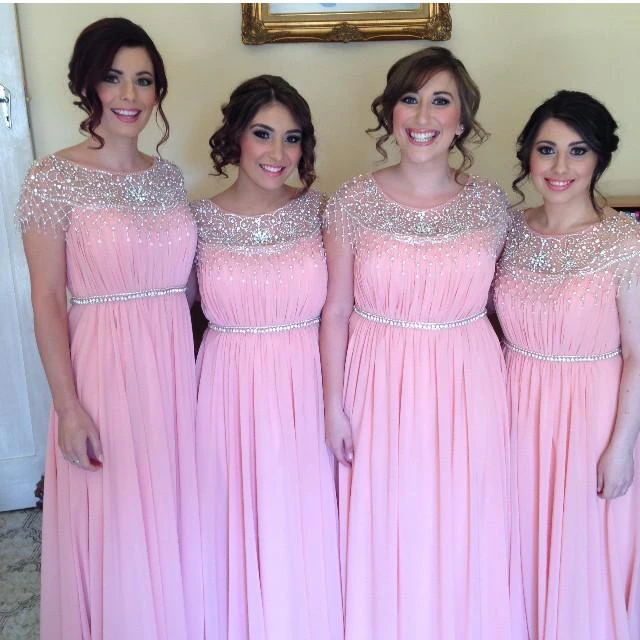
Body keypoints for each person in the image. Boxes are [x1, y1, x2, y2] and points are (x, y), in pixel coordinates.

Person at [17, 18, 203, 639]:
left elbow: (188, 285)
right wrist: (68, 406)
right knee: (115, 514)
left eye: (143, 81)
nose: (129, 95)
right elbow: (47, 299)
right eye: (114, 78)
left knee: (170, 510)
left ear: (157, 92)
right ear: (88, 85)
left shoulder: (168, 177)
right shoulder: (52, 178)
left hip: (171, 365)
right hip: (101, 366)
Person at [321, 46, 513, 639]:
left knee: (463, 518)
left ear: (462, 119)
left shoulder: (491, 204)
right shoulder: (351, 201)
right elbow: (336, 311)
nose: (423, 115)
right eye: (410, 98)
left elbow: (505, 302)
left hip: (467, 378)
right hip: (378, 377)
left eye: (440, 100)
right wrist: (333, 406)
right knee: (387, 517)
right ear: (391, 112)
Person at [193, 74, 342, 640]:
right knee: (232, 521)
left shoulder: (323, 213)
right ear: (235, 135)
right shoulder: (197, 221)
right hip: (227, 388)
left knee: (302, 522)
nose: (278, 153)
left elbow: (347, 308)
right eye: (262, 133)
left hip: (305, 383)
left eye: (292, 138)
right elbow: (165, 308)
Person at [494, 90, 640, 640]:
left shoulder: (625, 241)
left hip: (591, 416)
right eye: (546, 149)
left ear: (599, 158)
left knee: (584, 552)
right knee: (518, 544)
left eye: (578, 151)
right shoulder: (509, 229)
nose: (560, 167)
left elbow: (638, 353)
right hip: (514, 409)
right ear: (527, 155)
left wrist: (621, 447)